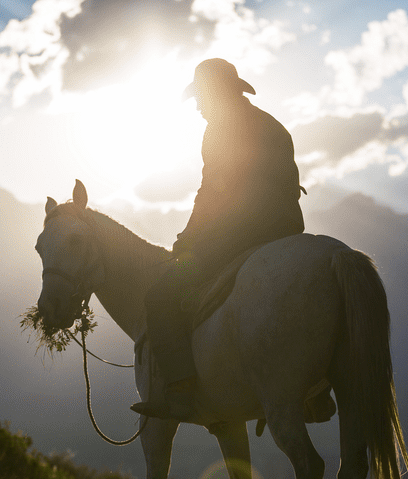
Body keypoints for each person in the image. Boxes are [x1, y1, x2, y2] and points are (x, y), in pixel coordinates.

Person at [131, 58, 306, 420]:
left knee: (160, 297)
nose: (197, 107)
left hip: (240, 233)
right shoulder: (273, 125)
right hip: (287, 228)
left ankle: (179, 391)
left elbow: (212, 193)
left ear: (215, 94)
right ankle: (313, 390)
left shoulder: (219, 132)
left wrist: (187, 240)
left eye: (200, 99)